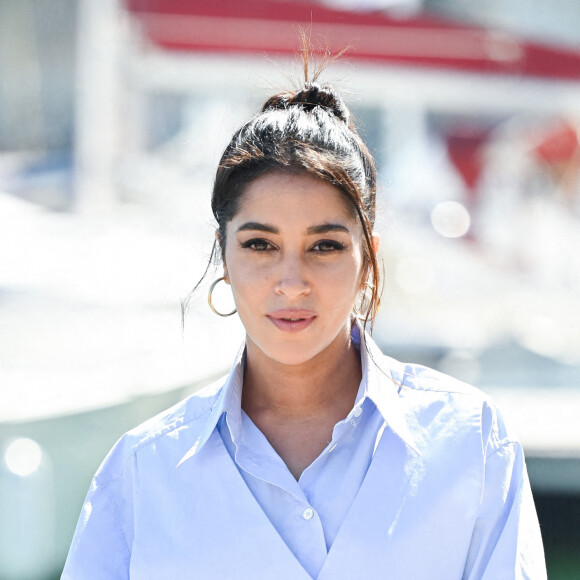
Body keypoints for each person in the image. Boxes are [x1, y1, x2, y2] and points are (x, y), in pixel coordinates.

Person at [62, 57, 546, 579]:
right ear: (224, 257)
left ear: (369, 261)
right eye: (260, 244)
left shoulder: (469, 442)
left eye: (324, 246)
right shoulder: (142, 472)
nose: (291, 282)